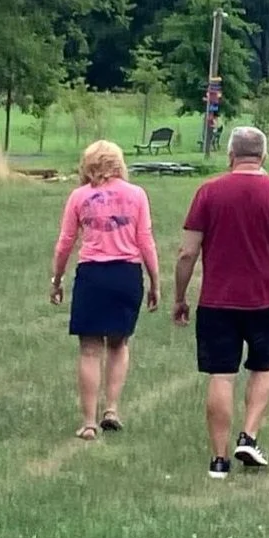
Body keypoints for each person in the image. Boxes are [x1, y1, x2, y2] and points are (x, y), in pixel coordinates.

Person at [172, 126, 269, 480]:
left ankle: (218, 460)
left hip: (216, 301)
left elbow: (187, 252)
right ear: (264, 156)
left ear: (230, 155)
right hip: (263, 301)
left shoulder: (208, 192)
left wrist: (180, 297)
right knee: (264, 367)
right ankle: (249, 434)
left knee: (222, 375)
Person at [51, 141, 160, 441]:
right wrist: (154, 281)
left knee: (89, 349)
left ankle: (88, 422)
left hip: (92, 275)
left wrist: (56, 278)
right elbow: (146, 240)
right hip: (126, 274)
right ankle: (111, 409)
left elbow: (65, 241)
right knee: (118, 344)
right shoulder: (136, 194)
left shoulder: (78, 197)